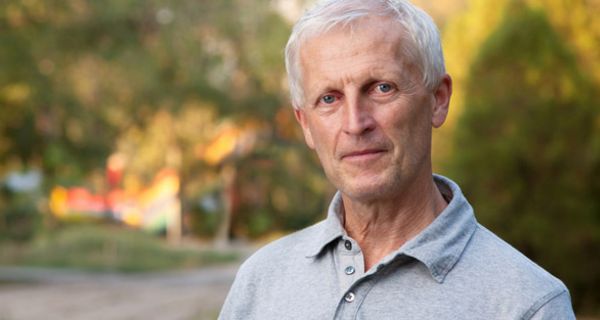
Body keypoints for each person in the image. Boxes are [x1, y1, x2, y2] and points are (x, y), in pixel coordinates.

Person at [219, 0, 576, 319]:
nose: (355, 123)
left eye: (381, 88)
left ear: (438, 99)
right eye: (329, 99)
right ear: (306, 125)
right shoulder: (260, 282)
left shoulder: (528, 303)